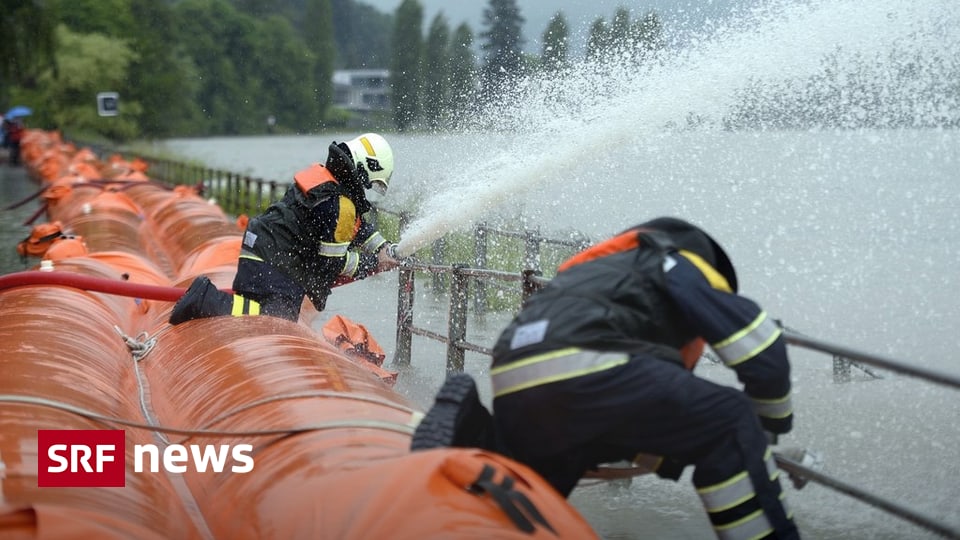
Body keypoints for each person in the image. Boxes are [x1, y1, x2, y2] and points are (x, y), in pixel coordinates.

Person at [412, 217, 801, 539]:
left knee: (535, 479)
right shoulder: (675, 260)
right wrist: (767, 427)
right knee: (729, 418)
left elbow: (646, 416)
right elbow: (762, 351)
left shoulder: (594, 271)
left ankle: (475, 429)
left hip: (517, 371)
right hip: (589, 363)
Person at [170, 133, 399, 325]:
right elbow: (333, 262)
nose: (367, 188)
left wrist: (382, 247)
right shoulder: (339, 204)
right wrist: (373, 264)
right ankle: (206, 298)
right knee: (277, 320)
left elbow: (356, 228)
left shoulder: (326, 183)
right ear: (364, 169)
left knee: (260, 309)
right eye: (370, 183)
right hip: (275, 261)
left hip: (262, 250)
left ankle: (207, 298)